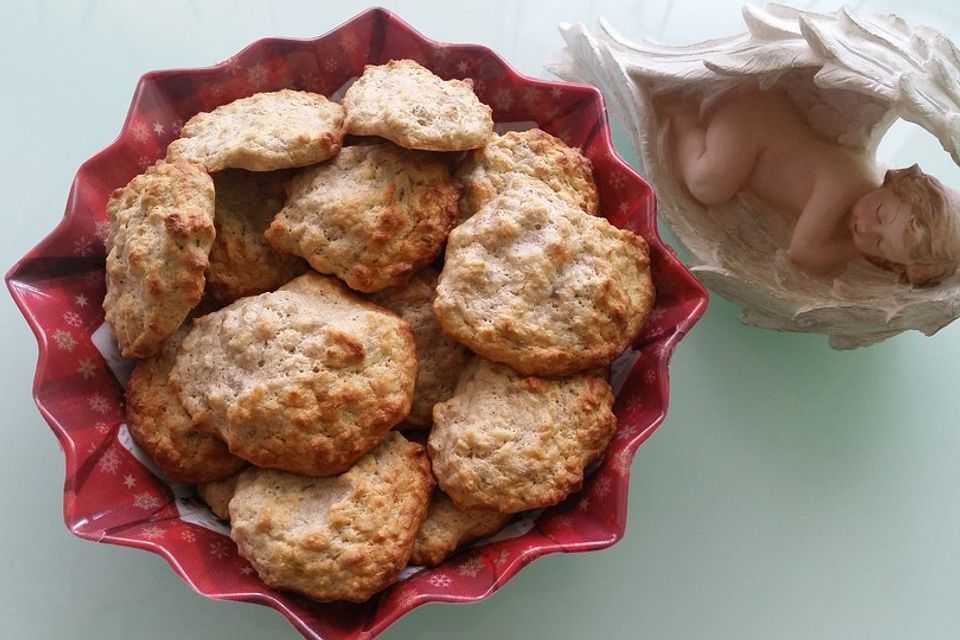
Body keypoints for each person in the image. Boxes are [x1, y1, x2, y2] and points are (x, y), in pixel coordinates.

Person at [663, 86, 960, 285]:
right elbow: (802, 252)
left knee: (713, 186)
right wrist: (860, 251)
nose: (867, 229)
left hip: (757, 144)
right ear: (892, 183)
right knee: (707, 185)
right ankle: (683, 116)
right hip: (751, 126)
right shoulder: (846, 182)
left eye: (881, 244)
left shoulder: (860, 205)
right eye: (881, 214)